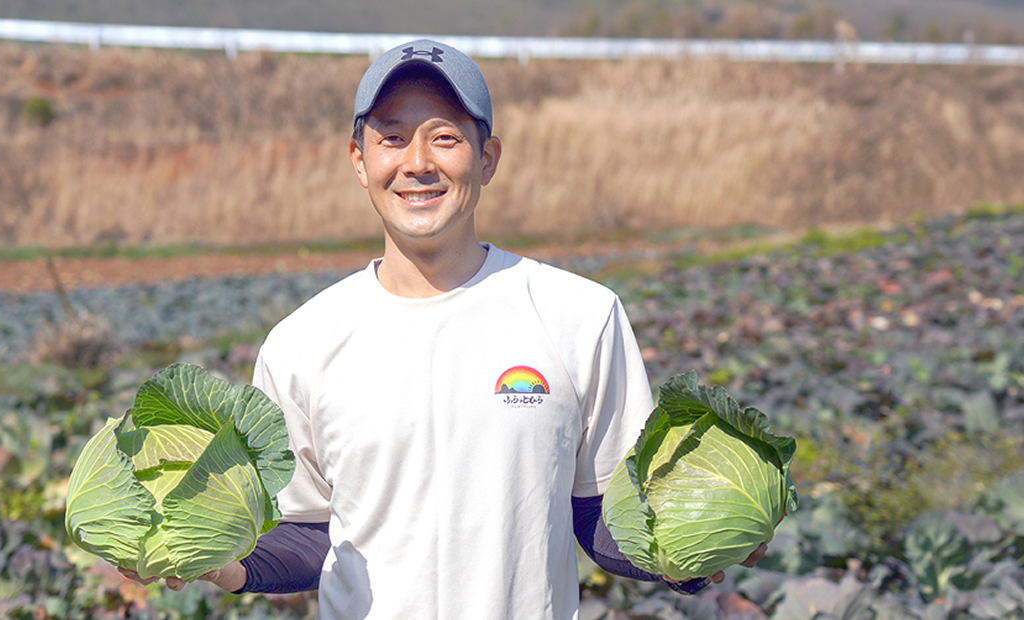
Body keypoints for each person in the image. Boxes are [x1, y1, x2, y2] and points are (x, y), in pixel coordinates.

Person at [122, 38, 767, 617]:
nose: (418, 163)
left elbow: (603, 516)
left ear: (487, 159)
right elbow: (309, 530)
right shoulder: (303, 341)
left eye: (446, 137)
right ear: (358, 159)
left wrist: (696, 546)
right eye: (392, 137)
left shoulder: (580, 315)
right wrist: (229, 566)